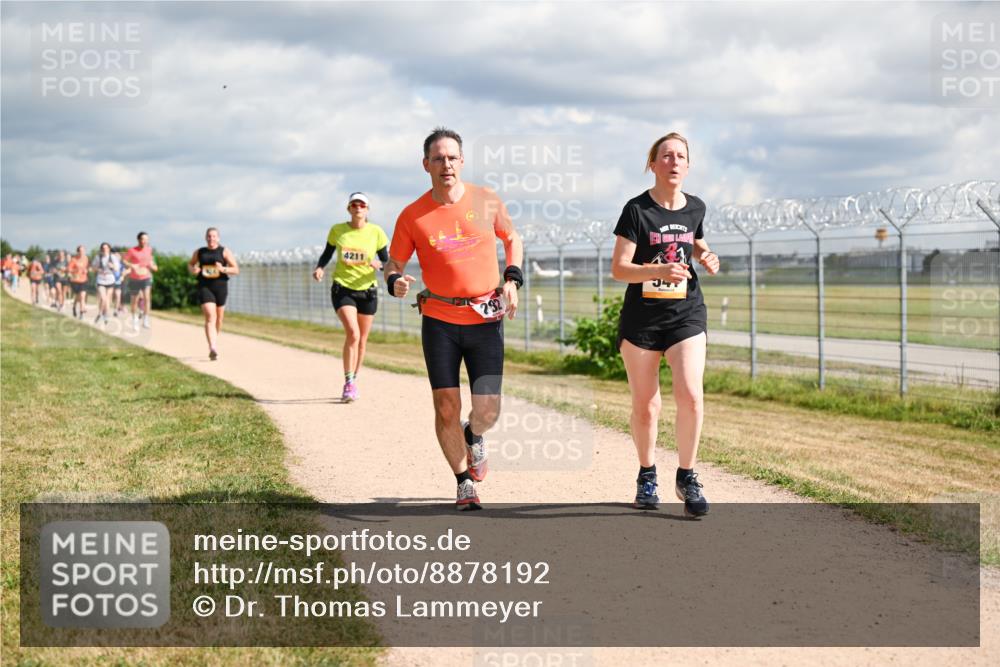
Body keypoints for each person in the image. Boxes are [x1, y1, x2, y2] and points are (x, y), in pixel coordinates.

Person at [384, 127, 523, 510]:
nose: (446, 164)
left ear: (462, 162)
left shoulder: (486, 200)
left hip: (485, 319)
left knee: (487, 409)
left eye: (452, 157)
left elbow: (512, 239)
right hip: (440, 321)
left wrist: (512, 279)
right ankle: (463, 482)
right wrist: (395, 280)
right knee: (446, 405)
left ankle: (474, 435)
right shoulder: (413, 215)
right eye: (438, 158)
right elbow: (394, 262)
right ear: (426, 164)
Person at [610, 132, 720, 517]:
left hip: (686, 313)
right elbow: (619, 268)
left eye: (681, 156)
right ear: (653, 164)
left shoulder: (696, 208)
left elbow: (695, 242)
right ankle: (647, 473)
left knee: (690, 394)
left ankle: (687, 476)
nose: (674, 161)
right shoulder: (637, 210)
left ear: (688, 166)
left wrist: (706, 256)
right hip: (642, 319)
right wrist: (658, 269)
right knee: (647, 406)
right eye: (666, 156)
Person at [312, 192, 389, 402]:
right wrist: (320, 267)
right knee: (353, 334)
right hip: (343, 289)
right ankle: (347, 382)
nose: (358, 207)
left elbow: (388, 261)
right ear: (349, 209)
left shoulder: (376, 232)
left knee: (362, 340)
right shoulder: (338, 230)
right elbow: (327, 253)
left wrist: (379, 265)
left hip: (368, 291)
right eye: (354, 204)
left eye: (362, 205)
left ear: (367, 209)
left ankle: (353, 380)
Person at [188, 227, 239, 360]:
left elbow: (236, 269)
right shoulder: (200, 252)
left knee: (219, 319)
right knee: (211, 316)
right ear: (206, 238)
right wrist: (194, 269)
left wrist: (223, 268)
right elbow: (191, 264)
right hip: (204, 287)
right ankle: (212, 348)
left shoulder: (224, 251)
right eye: (209, 236)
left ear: (218, 238)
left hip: (220, 287)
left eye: (214, 236)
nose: (211, 238)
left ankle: (214, 342)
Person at [124, 232, 158, 329]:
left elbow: (151, 261)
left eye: (147, 239)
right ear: (138, 240)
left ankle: (146, 319)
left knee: (147, 298)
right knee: (134, 300)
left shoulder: (149, 250)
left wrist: (152, 265)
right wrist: (132, 265)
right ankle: (134, 318)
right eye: (143, 239)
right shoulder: (132, 250)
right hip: (134, 278)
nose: (145, 241)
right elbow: (124, 261)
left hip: (146, 277)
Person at [92, 242, 120, 325]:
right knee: (103, 298)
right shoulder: (98, 257)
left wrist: (112, 266)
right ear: (101, 249)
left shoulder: (113, 258)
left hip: (110, 280)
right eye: (103, 248)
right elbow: (93, 268)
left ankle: (104, 314)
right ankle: (101, 313)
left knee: (107, 299)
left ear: (109, 249)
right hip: (101, 280)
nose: (104, 250)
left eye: (106, 248)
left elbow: (117, 269)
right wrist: (98, 269)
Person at [111, 246, 125, 316]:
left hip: (117, 282)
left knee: (118, 295)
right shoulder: (109, 262)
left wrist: (122, 276)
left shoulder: (121, 264)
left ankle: (116, 310)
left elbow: (123, 271)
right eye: (114, 254)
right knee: (111, 296)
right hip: (109, 282)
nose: (116, 255)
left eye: (117, 254)